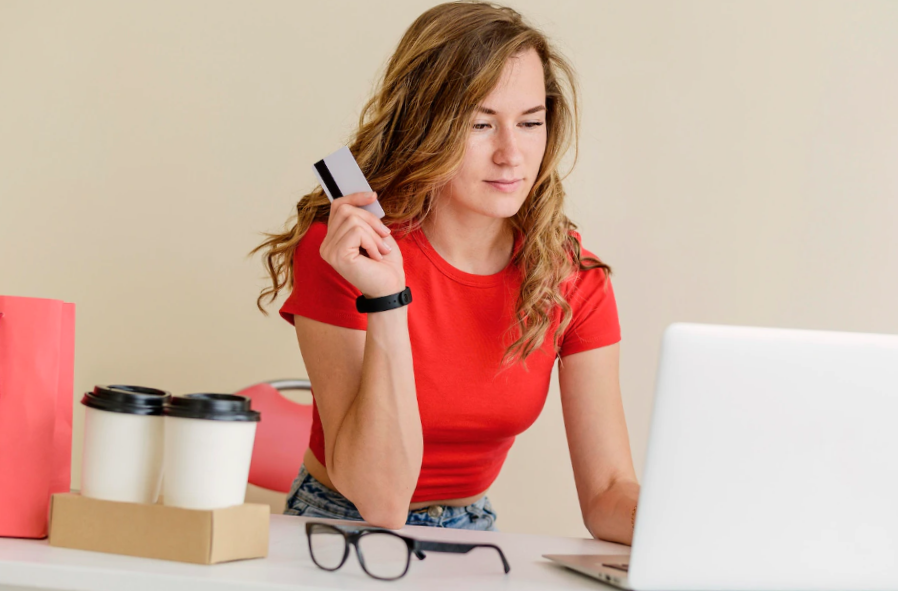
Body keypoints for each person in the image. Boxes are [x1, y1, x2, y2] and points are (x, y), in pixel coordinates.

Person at [252, 1, 640, 545]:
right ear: (425, 125)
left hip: (473, 531)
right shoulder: (349, 252)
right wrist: (387, 301)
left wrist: (686, 527)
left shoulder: (570, 276)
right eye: (481, 124)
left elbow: (607, 494)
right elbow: (381, 500)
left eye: (530, 122)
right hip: (339, 526)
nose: (512, 154)